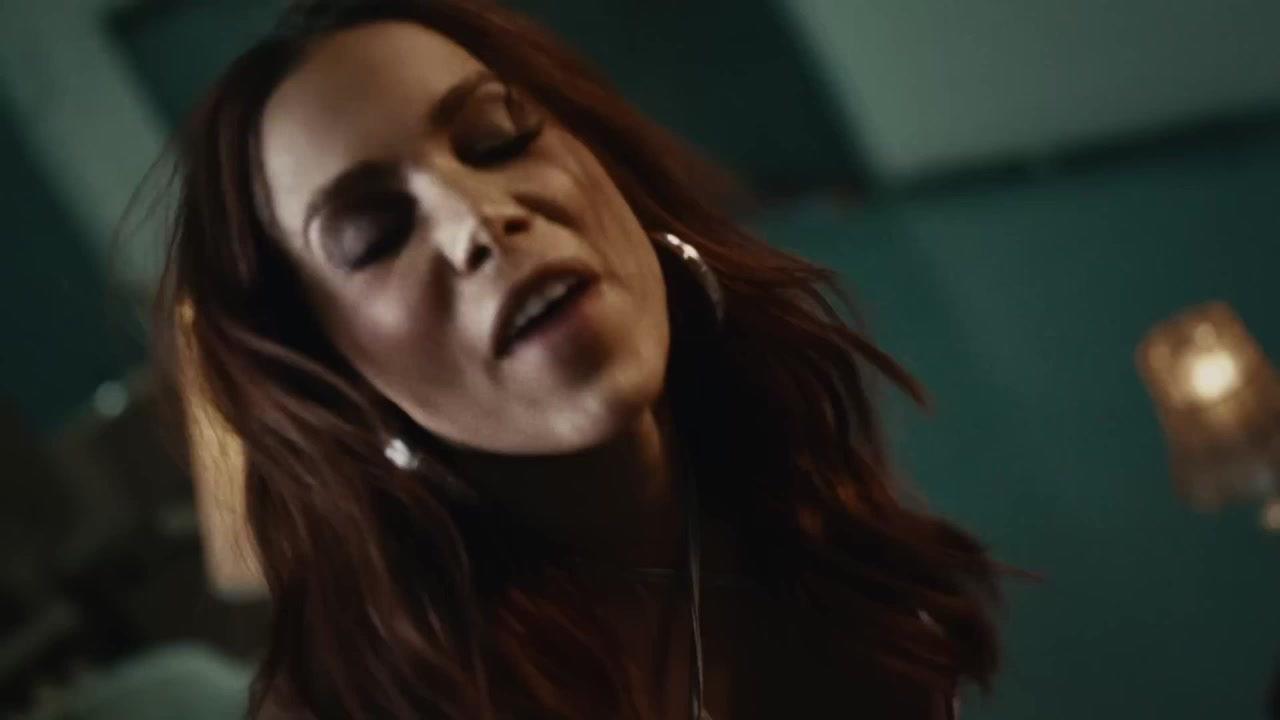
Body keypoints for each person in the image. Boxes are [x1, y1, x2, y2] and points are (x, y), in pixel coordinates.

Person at [154, 1, 1001, 717]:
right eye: (375, 235)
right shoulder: (367, 699)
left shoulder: (803, 502)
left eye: (497, 140)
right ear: (335, 372)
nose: (479, 218)